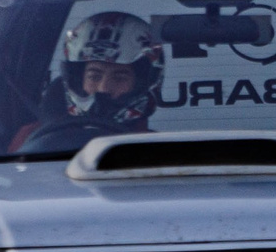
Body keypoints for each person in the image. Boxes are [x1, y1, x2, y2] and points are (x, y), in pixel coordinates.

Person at [10, 10, 164, 152]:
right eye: (94, 76)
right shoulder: (32, 138)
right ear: (78, 80)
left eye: (119, 77)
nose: (103, 88)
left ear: (142, 83)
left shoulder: (157, 150)